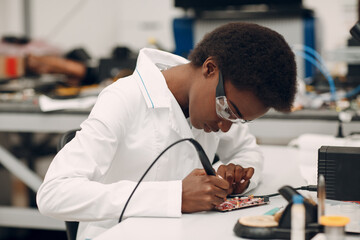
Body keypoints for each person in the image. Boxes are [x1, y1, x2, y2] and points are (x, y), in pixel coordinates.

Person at [37, 22, 297, 239]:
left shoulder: (216, 102)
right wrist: (174, 196)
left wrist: (238, 170)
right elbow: (54, 194)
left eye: (239, 120)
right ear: (210, 68)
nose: (226, 126)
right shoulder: (124, 99)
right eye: (229, 111)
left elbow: (247, 149)